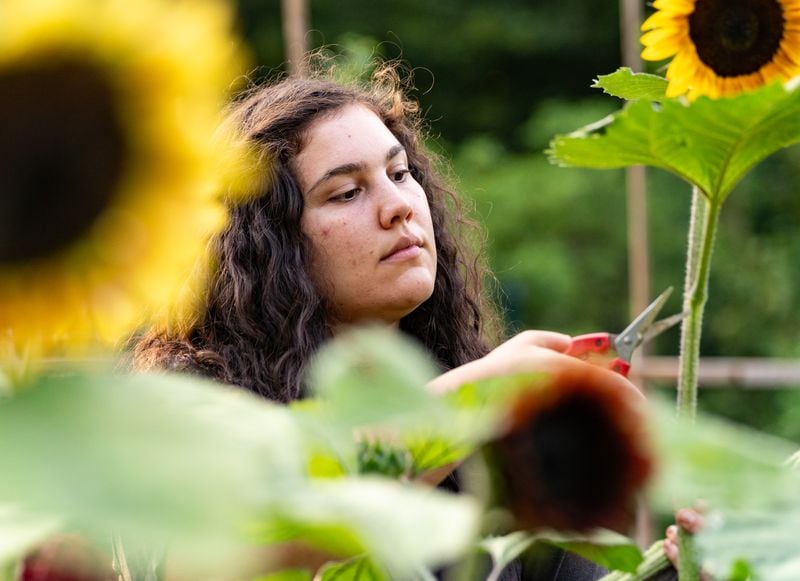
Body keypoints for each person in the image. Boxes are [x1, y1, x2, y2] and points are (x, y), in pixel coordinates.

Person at [132, 58, 684, 580]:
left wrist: (686, 562)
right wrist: (475, 397)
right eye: (346, 192)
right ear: (267, 244)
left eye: (399, 173)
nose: (398, 206)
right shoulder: (196, 405)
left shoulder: (486, 429)